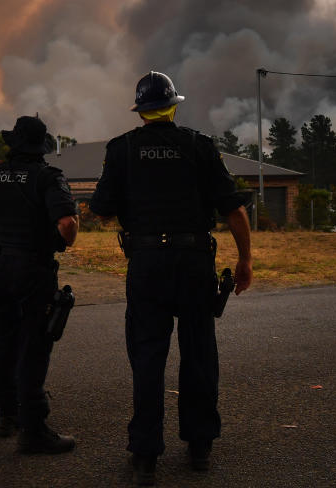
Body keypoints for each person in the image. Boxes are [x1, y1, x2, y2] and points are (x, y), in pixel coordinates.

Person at [89, 71, 254, 486]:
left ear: (140, 110)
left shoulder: (121, 149)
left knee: (147, 357)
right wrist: (245, 261)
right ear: (173, 105)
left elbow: (102, 209)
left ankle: (145, 455)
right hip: (193, 260)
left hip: (146, 264)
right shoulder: (198, 146)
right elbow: (234, 209)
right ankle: (199, 448)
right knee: (199, 353)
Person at [0, 115, 79, 454]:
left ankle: (6, 415)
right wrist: (68, 238)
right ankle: (33, 429)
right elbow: (67, 222)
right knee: (33, 347)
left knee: (1, 343)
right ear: (41, 147)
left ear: (13, 144)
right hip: (34, 271)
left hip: (0, 270)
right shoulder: (47, 177)